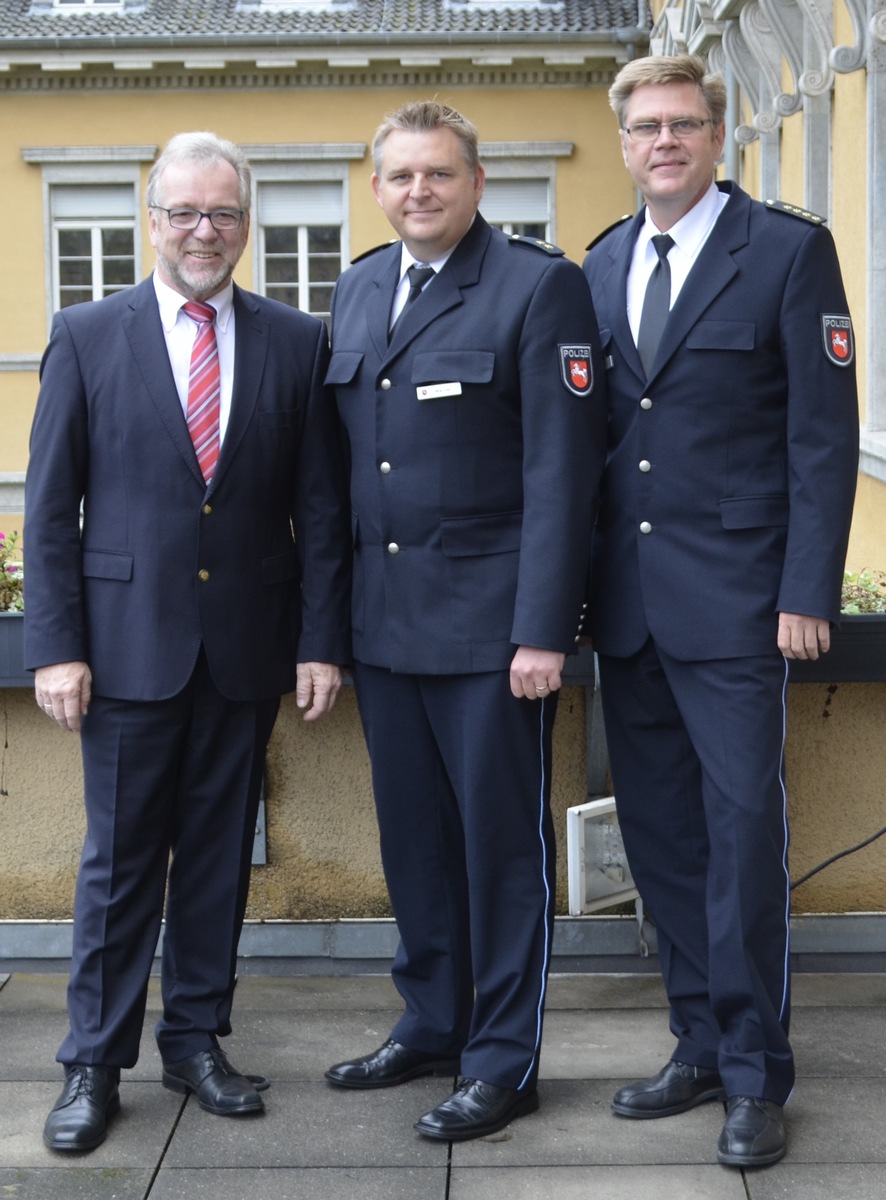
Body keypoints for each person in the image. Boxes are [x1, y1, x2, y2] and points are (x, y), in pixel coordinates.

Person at [25, 130, 351, 1152]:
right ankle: (91, 1062)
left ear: (244, 225)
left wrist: (318, 640)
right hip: (122, 651)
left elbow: (321, 510)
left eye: (223, 214)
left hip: (246, 648)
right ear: (151, 220)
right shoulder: (86, 334)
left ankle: (197, 1039)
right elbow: (47, 511)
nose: (203, 231)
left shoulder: (297, 340)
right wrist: (55, 646)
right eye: (184, 212)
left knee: (214, 861)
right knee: (119, 864)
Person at [582, 55, 859, 1168]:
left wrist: (805, 589)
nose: (664, 142)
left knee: (742, 835)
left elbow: (822, 438)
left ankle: (754, 1073)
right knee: (660, 839)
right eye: (645, 127)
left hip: (743, 604)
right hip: (630, 609)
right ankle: (694, 1038)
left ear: (716, 134)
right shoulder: (600, 264)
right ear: (624, 142)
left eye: (683, 124)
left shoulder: (787, 252)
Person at [322, 100, 606, 1141]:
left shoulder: (538, 286)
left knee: (498, 851)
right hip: (384, 629)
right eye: (399, 176)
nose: (418, 192)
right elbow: (343, 474)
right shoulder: (356, 289)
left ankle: (502, 1059)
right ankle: (431, 1020)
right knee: (416, 846)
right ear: (376, 187)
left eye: (438, 174)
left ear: (477, 183)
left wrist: (542, 630)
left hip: (494, 635)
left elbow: (562, 474)